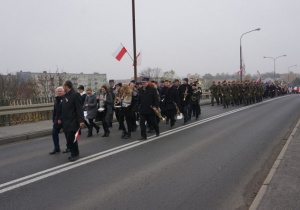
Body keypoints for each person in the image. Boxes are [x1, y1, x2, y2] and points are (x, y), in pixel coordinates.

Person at [59, 81, 84, 162]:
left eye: (63, 86)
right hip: (66, 121)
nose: (63, 87)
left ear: (67, 86)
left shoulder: (75, 94)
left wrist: (81, 120)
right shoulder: (65, 95)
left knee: (72, 137)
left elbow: (79, 108)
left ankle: (75, 153)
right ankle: (73, 152)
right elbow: (63, 109)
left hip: (73, 120)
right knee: (68, 138)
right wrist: (60, 118)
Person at [49, 87, 68, 155]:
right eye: (58, 91)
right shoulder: (56, 99)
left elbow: (65, 110)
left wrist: (61, 118)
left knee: (67, 134)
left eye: (60, 91)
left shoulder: (65, 99)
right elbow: (55, 111)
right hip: (57, 120)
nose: (59, 92)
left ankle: (68, 147)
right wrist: (54, 119)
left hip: (64, 119)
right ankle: (56, 148)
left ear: (63, 92)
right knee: (54, 133)